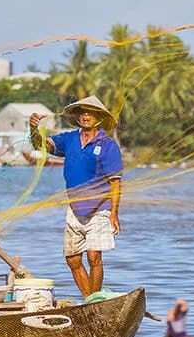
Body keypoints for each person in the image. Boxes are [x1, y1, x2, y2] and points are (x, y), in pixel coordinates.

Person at [29, 96, 124, 298]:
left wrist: (114, 214)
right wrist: (33, 129)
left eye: (90, 112)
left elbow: (115, 182)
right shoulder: (70, 139)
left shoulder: (107, 145)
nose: (85, 116)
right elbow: (41, 145)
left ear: (98, 117)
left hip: (100, 209)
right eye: (82, 112)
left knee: (93, 256)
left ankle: (95, 301)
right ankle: (90, 299)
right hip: (75, 208)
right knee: (72, 258)